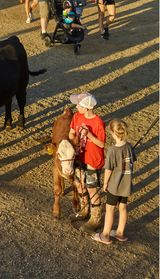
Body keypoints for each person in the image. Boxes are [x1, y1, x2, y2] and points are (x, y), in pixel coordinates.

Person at [92, 119, 134, 245]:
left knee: (109, 209)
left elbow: (109, 169)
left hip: (115, 185)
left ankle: (105, 235)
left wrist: (105, 183)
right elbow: (132, 160)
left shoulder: (112, 150)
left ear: (112, 133)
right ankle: (120, 233)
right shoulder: (129, 147)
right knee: (123, 207)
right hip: (126, 185)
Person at [68, 92, 106, 231]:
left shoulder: (98, 123)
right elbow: (71, 133)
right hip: (80, 157)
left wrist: (89, 135)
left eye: (79, 104)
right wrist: (74, 140)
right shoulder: (77, 116)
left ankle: (96, 218)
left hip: (93, 159)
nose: (76, 106)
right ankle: (85, 210)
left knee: (91, 188)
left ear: (87, 107)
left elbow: (101, 144)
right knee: (79, 183)